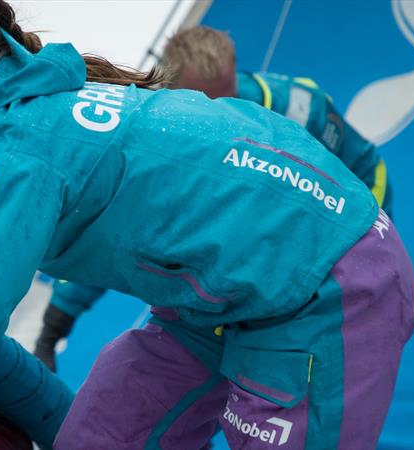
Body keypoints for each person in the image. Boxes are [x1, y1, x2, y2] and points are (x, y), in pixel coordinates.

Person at [0, 1, 414, 447]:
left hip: (323, 285)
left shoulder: (22, 151)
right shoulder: (22, 124)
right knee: (98, 436)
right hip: (215, 300)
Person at [33, 25, 395, 374]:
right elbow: (122, 231)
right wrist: (51, 332)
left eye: (229, 97)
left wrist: (358, 254)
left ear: (235, 70)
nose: (223, 114)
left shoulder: (300, 108)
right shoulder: (162, 131)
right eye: (207, 103)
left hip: (339, 232)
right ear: (173, 90)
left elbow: (367, 173)